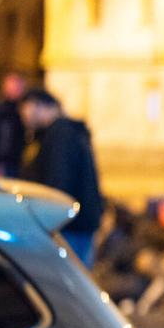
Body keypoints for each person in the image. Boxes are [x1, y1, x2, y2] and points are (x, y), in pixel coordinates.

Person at [19, 88, 104, 267]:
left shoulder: (60, 135)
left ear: (39, 105)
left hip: (69, 226)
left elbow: (58, 183)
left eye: (24, 108)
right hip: (75, 223)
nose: (23, 116)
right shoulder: (63, 132)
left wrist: (48, 219)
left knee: (68, 285)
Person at [0, 73, 27, 178]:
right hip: (4, 164)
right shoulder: (0, 112)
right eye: (13, 87)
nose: (16, 90)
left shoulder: (22, 109)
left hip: (18, 163)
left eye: (18, 87)